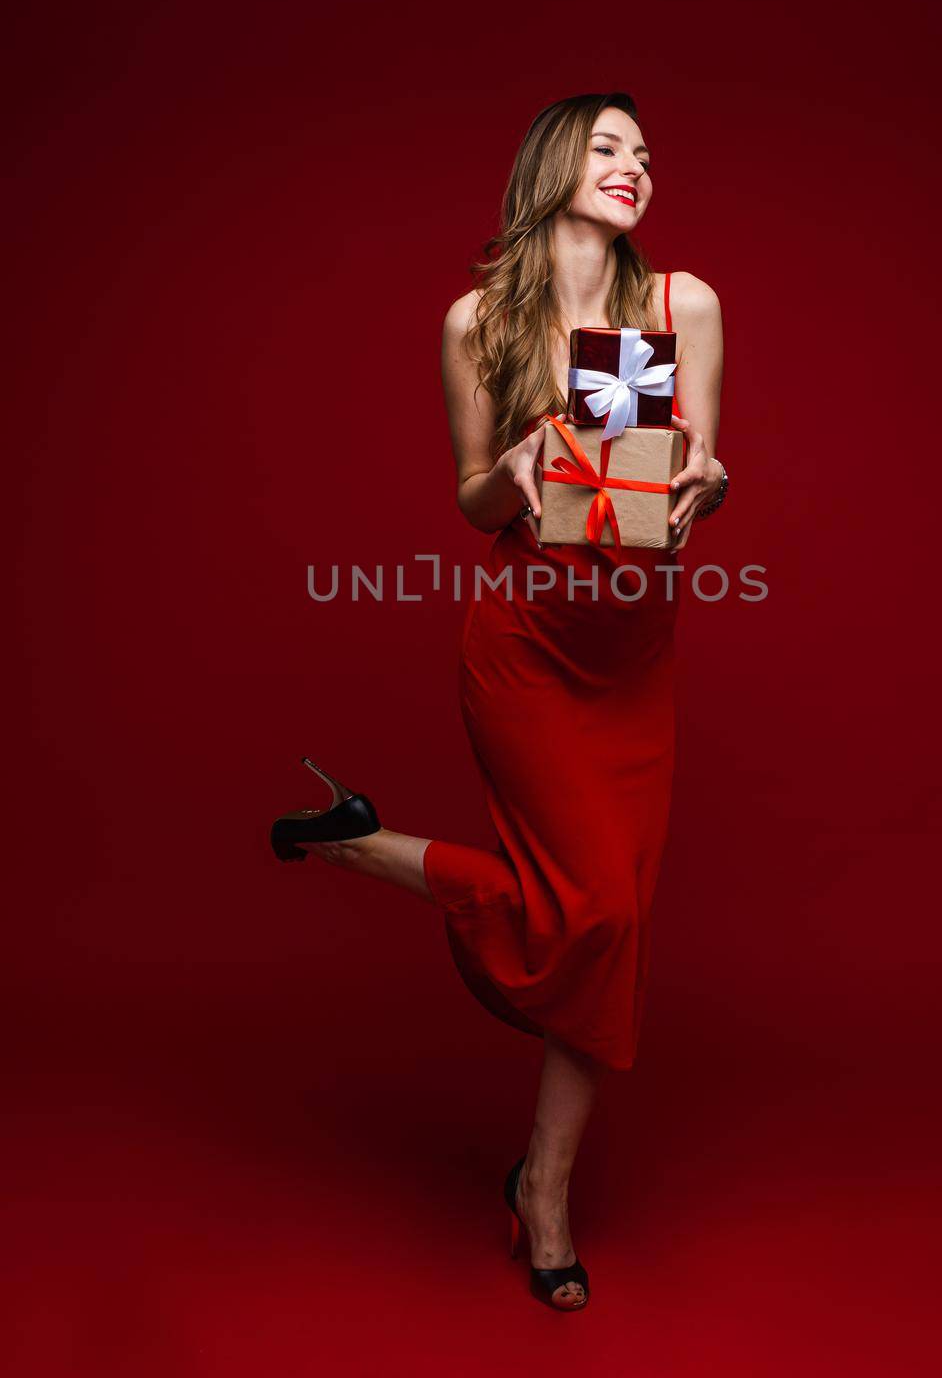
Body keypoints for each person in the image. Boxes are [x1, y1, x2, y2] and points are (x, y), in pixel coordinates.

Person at [270, 91, 726, 1311]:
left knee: (606, 918)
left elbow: (683, 486)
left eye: (645, 149)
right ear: (551, 164)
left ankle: (361, 840)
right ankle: (548, 1202)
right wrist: (508, 472)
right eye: (608, 143)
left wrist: (708, 478)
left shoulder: (674, 303)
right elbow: (471, 501)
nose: (633, 165)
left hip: (630, 649)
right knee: (594, 916)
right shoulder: (480, 321)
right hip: (526, 646)